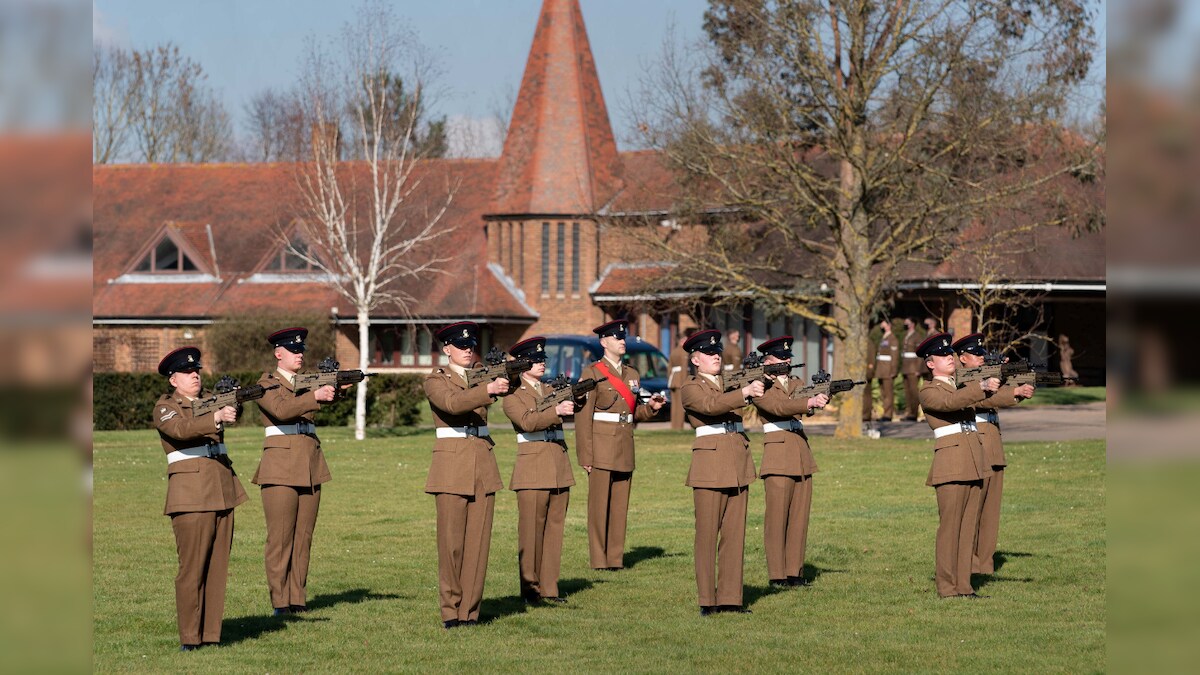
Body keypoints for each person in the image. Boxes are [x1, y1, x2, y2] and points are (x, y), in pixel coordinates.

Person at [153, 346, 247, 651]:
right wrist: (216, 417)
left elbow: (229, 411)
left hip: (221, 488)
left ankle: (211, 634)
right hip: (190, 495)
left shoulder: (210, 399)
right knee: (192, 568)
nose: (195, 375)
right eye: (187, 372)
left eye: (197, 371)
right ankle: (190, 638)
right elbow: (181, 429)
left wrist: (234, 403)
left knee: (218, 567)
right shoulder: (166, 407)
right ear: (173, 380)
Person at [424, 321, 511, 628]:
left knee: (478, 544)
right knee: (451, 544)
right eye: (461, 346)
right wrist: (486, 389)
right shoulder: (436, 380)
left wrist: (507, 378)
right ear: (446, 349)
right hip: (451, 466)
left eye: (471, 346)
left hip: (482, 462)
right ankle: (450, 610)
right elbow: (452, 403)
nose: (468, 350)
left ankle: (470, 612)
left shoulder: (482, 375)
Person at [253, 327, 339, 616]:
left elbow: (318, 403)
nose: (300, 354)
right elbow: (281, 410)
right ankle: (280, 601)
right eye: (293, 350)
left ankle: (297, 598)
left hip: (309, 463)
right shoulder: (266, 384)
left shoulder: (307, 382)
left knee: (304, 536)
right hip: (279, 467)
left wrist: (334, 390)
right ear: (279, 354)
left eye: (302, 350)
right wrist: (315, 394)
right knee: (280, 538)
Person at [679, 329, 763, 615]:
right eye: (709, 353)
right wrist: (744, 392)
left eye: (717, 352)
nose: (716, 355)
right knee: (706, 535)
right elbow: (710, 406)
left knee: (734, 534)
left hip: (737, 462)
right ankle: (707, 600)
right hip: (710, 466)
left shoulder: (731, 383)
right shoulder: (691, 387)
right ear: (695, 359)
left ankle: (730, 598)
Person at [574, 319, 664, 571]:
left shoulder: (633, 374)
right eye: (617, 338)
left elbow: (632, 414)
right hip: (600, 446)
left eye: (623, 338)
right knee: (599, 506)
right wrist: (585, 455)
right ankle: (598, 560)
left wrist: (651, 409)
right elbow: (583, 418)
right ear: (604, 342)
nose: (622, 341)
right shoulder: (591, 373)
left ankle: (615, 559)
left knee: (619, 506)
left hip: (625, 444)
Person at [916, 332, 1000, 598]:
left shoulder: (961, 385)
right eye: (942, 355)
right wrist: (981, 386)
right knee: (950, 528)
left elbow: (984, 399)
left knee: (966, 529)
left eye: (949, 353)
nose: (949, 357)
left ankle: (964, 586)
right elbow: (950, 404)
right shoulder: (929, 390)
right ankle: (946, 586)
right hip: (951, 464)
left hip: (973, 461)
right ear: (931, 363)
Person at [952, 333, 1035, 576]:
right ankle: (966, 564)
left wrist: (1015, 380)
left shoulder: (986, 376)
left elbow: (1003, 393)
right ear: (963, 358)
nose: (981, 359)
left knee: (990, 515)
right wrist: (1012, 391)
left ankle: (984, 567)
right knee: (972, 512)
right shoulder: (962, 380)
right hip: (975, 445)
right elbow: (986, 399)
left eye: (983, 355)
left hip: (993, 447)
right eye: (976, 355)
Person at [502, 336, 577, 605]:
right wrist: (556, 410)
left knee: (554, 530)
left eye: (543, 359)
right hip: (532, 468)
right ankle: (530, 589)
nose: (542, 364)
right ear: (523, 365)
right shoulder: (513, 396)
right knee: (531, 531)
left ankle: (549, 587)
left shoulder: (549, 390)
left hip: (557, 463)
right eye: (535, 360)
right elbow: (527, 422)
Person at [751, 336, 828, 588]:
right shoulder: (759, 384)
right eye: (781, 357)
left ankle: (794, 572)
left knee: (799, 517)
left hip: (800, 452)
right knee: (777, 519)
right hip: (778, 454)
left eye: (788, 357)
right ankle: (777, 574)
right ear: (768, 360)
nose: (786, 360)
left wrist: (821, 397)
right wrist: (809, 402)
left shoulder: (796, 382)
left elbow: (803, 403)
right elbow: (779, 407)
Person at [875, 318, 901, 421]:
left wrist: (893, 371)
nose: (881, 324)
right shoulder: (884, 337)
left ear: (888, 324)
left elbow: (894, 356)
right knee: (883, 393)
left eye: (883, 322)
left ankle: (888, 414)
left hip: (888, 370)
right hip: (881, 369)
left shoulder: (892, 338)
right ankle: (885, 413)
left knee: (888, 393)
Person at [667, 329, 693, 430]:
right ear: (682, 341)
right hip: (680, 381)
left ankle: (674, 425)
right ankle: (679, 426)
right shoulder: (684, 352)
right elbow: (683, 368)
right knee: (680, 406)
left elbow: (669, 368)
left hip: (673, 380)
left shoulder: (673, 351)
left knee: (674, 405)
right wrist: (684, 382)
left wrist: (670, 379)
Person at [901, 317, 923, 421]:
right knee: (907, 391)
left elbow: (919, 355)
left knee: (914, 391)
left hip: (913, 368)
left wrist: (918, 368)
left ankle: (914, 413)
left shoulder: (917, 336)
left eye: (907, 323)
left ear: (913, 324)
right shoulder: (906, 335)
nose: (906, 325)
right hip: (905, 367)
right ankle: (908, 412)